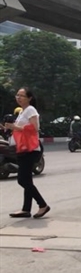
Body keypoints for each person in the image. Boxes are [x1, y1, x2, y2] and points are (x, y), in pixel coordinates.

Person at [4, 88, 51, 219]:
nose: (18, 97)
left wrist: (15, 127)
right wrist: (7, 128)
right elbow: (20, 129)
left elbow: (35, 128)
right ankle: (26, 209)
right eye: (17, 95)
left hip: (30, 149)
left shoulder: (30, 110)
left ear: (29, 98)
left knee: (22, 180)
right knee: (27, 180)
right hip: (22, 148)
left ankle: (42, 204)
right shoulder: (22, 112)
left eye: (22, 96)